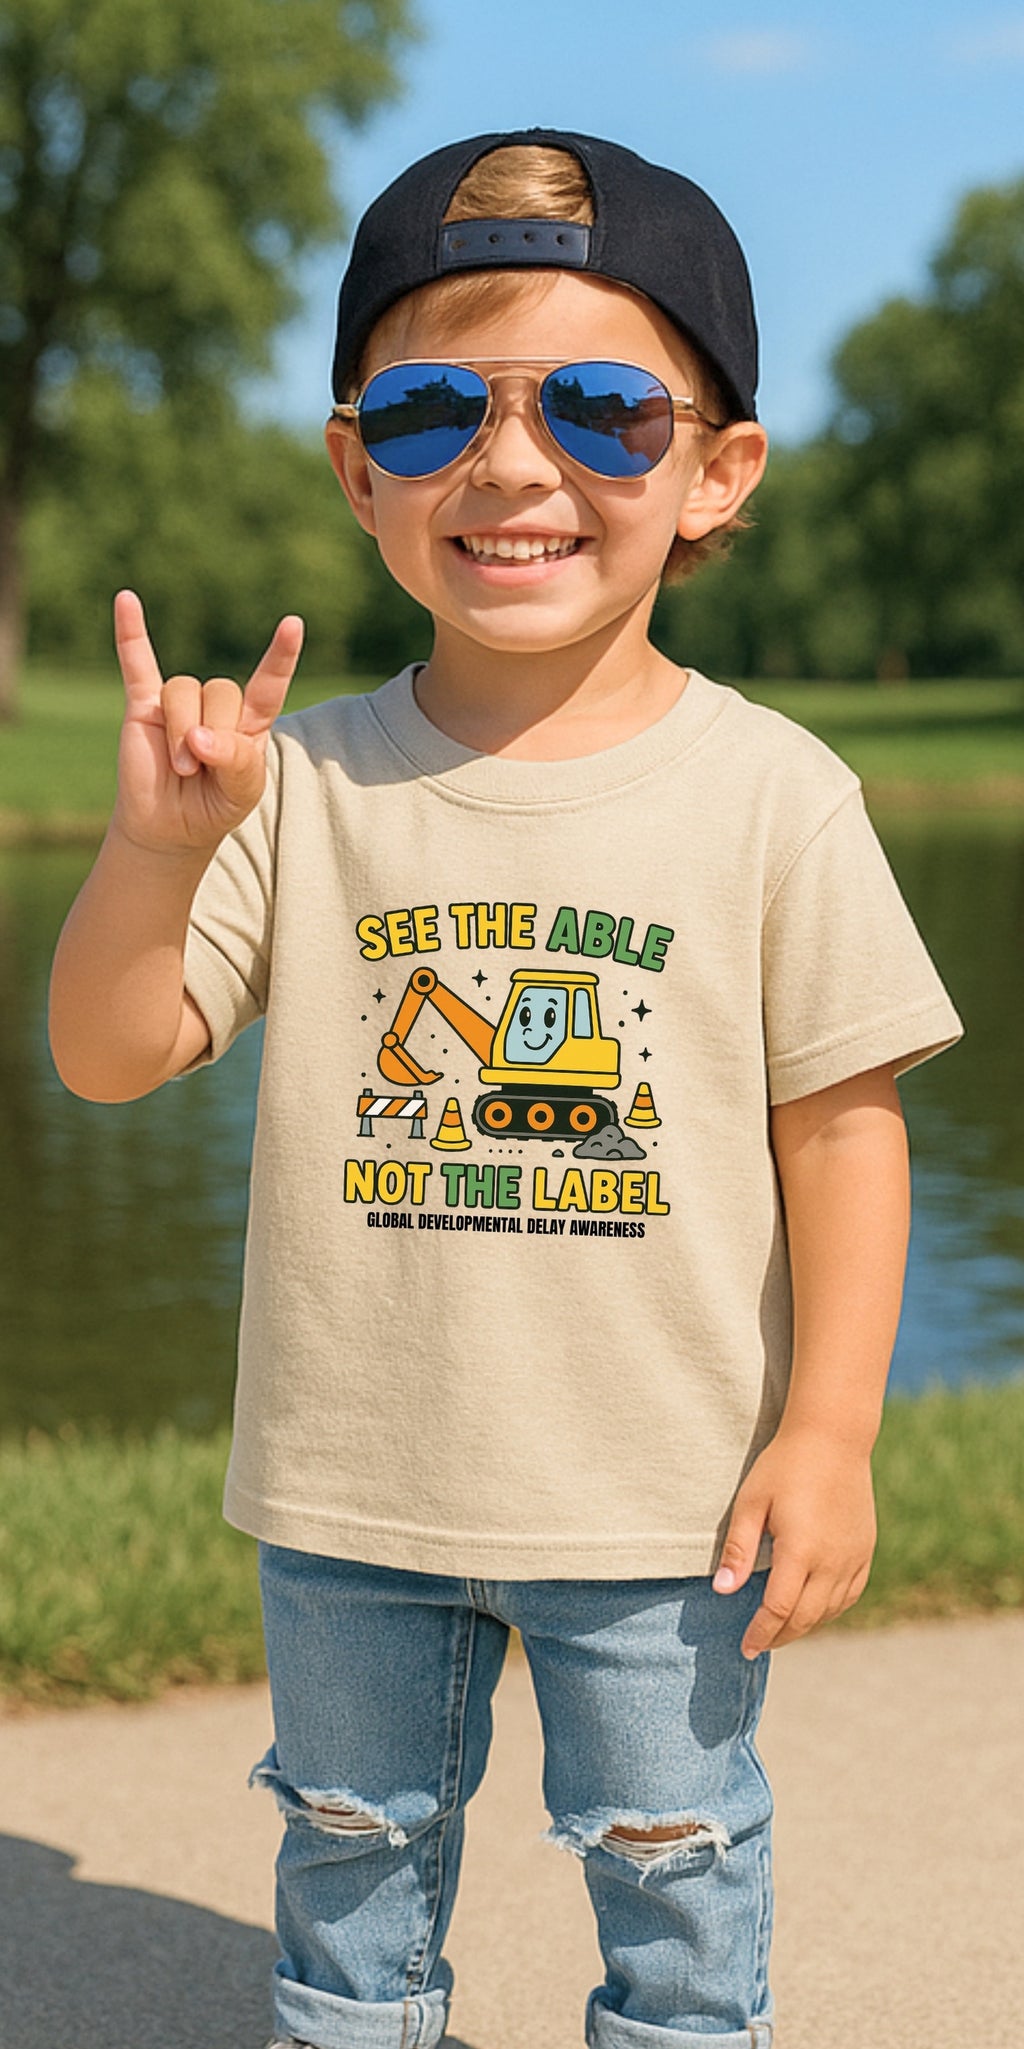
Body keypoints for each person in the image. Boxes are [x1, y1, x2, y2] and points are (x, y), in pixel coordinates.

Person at [49, 128, 964, 2049]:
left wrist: (833, 1429)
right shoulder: (299, 786)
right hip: (350, 1492)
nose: (518, 464)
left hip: (666, 1502)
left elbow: (844, 1127)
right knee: (348, 1857)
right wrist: (151, 854)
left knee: (675, 1856)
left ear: (717, 472)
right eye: (437, 403)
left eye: (612, 409)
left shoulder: (778, 794)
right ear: (356, 463)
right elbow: (109, 1056)